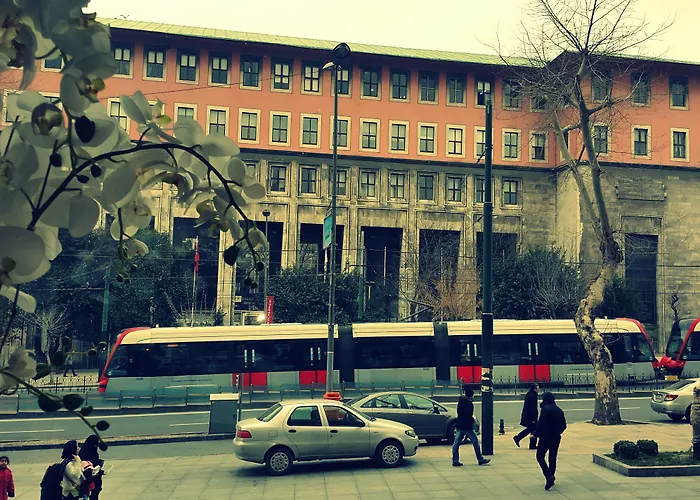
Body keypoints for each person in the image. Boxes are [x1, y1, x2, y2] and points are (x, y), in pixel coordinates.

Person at [534, 391, 567, 491]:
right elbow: (564, 425)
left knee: (540, 456)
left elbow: (542, 423)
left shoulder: (545, 409)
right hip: (556, 437)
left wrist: (535, 434)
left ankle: (548, 476)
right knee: (552, 457)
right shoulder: (559, 410)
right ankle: (551, 476)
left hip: (545, 437)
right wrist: (558, 432)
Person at [452, 386, 490, 467]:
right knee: (475, 442)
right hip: (467, 427)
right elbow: (469, 415)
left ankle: (455, 460)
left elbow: (459, 412)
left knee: (456, 443)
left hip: (459, 425)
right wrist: (472, 421)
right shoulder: (469, 404)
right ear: (471, 396)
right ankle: (480, 459)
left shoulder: (461, 401)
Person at [79, 436, 105, 500]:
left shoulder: (89, 449)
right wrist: (99, 464)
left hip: (94, 476)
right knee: (93, 493)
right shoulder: (87, 452)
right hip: (91, 477)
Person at [514, 384, 539, 449]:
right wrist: (534, 418)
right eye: (537, 388)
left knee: (530, 429)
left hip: (527, 415)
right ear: (534, 389)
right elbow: (533, 408)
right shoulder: (533, 396)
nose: (538, 390)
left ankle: (518, 438)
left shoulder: (529, 394)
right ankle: (531, 444)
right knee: (533, 429)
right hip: (530, 416)